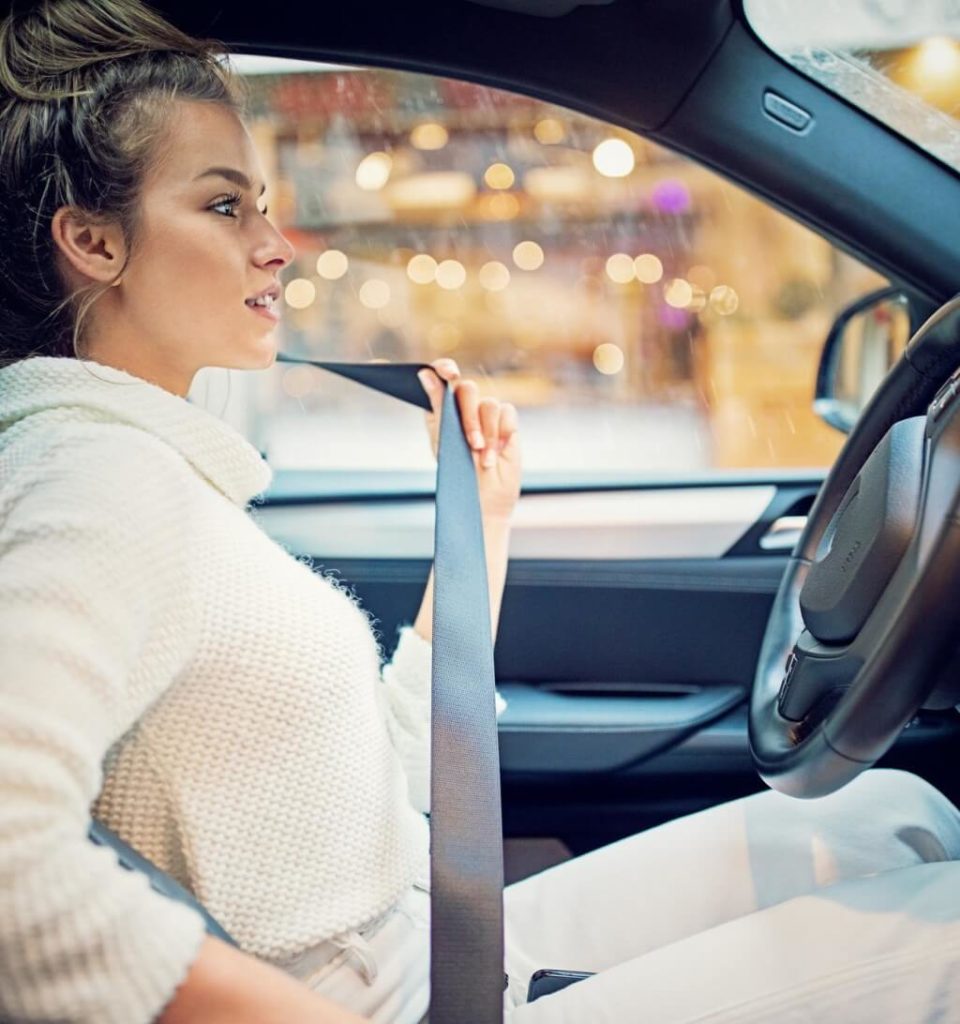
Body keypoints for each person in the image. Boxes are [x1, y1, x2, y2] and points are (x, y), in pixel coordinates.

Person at [2, 3, 960, 1024]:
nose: (279, 245)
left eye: (266, 206)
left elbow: (391, 772)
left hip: (432, 946)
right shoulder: (92, 483)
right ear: (93, 240)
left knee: (891, 815)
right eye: (226, 207)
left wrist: (484, 527)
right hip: (380, 1001)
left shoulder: (162, 469)